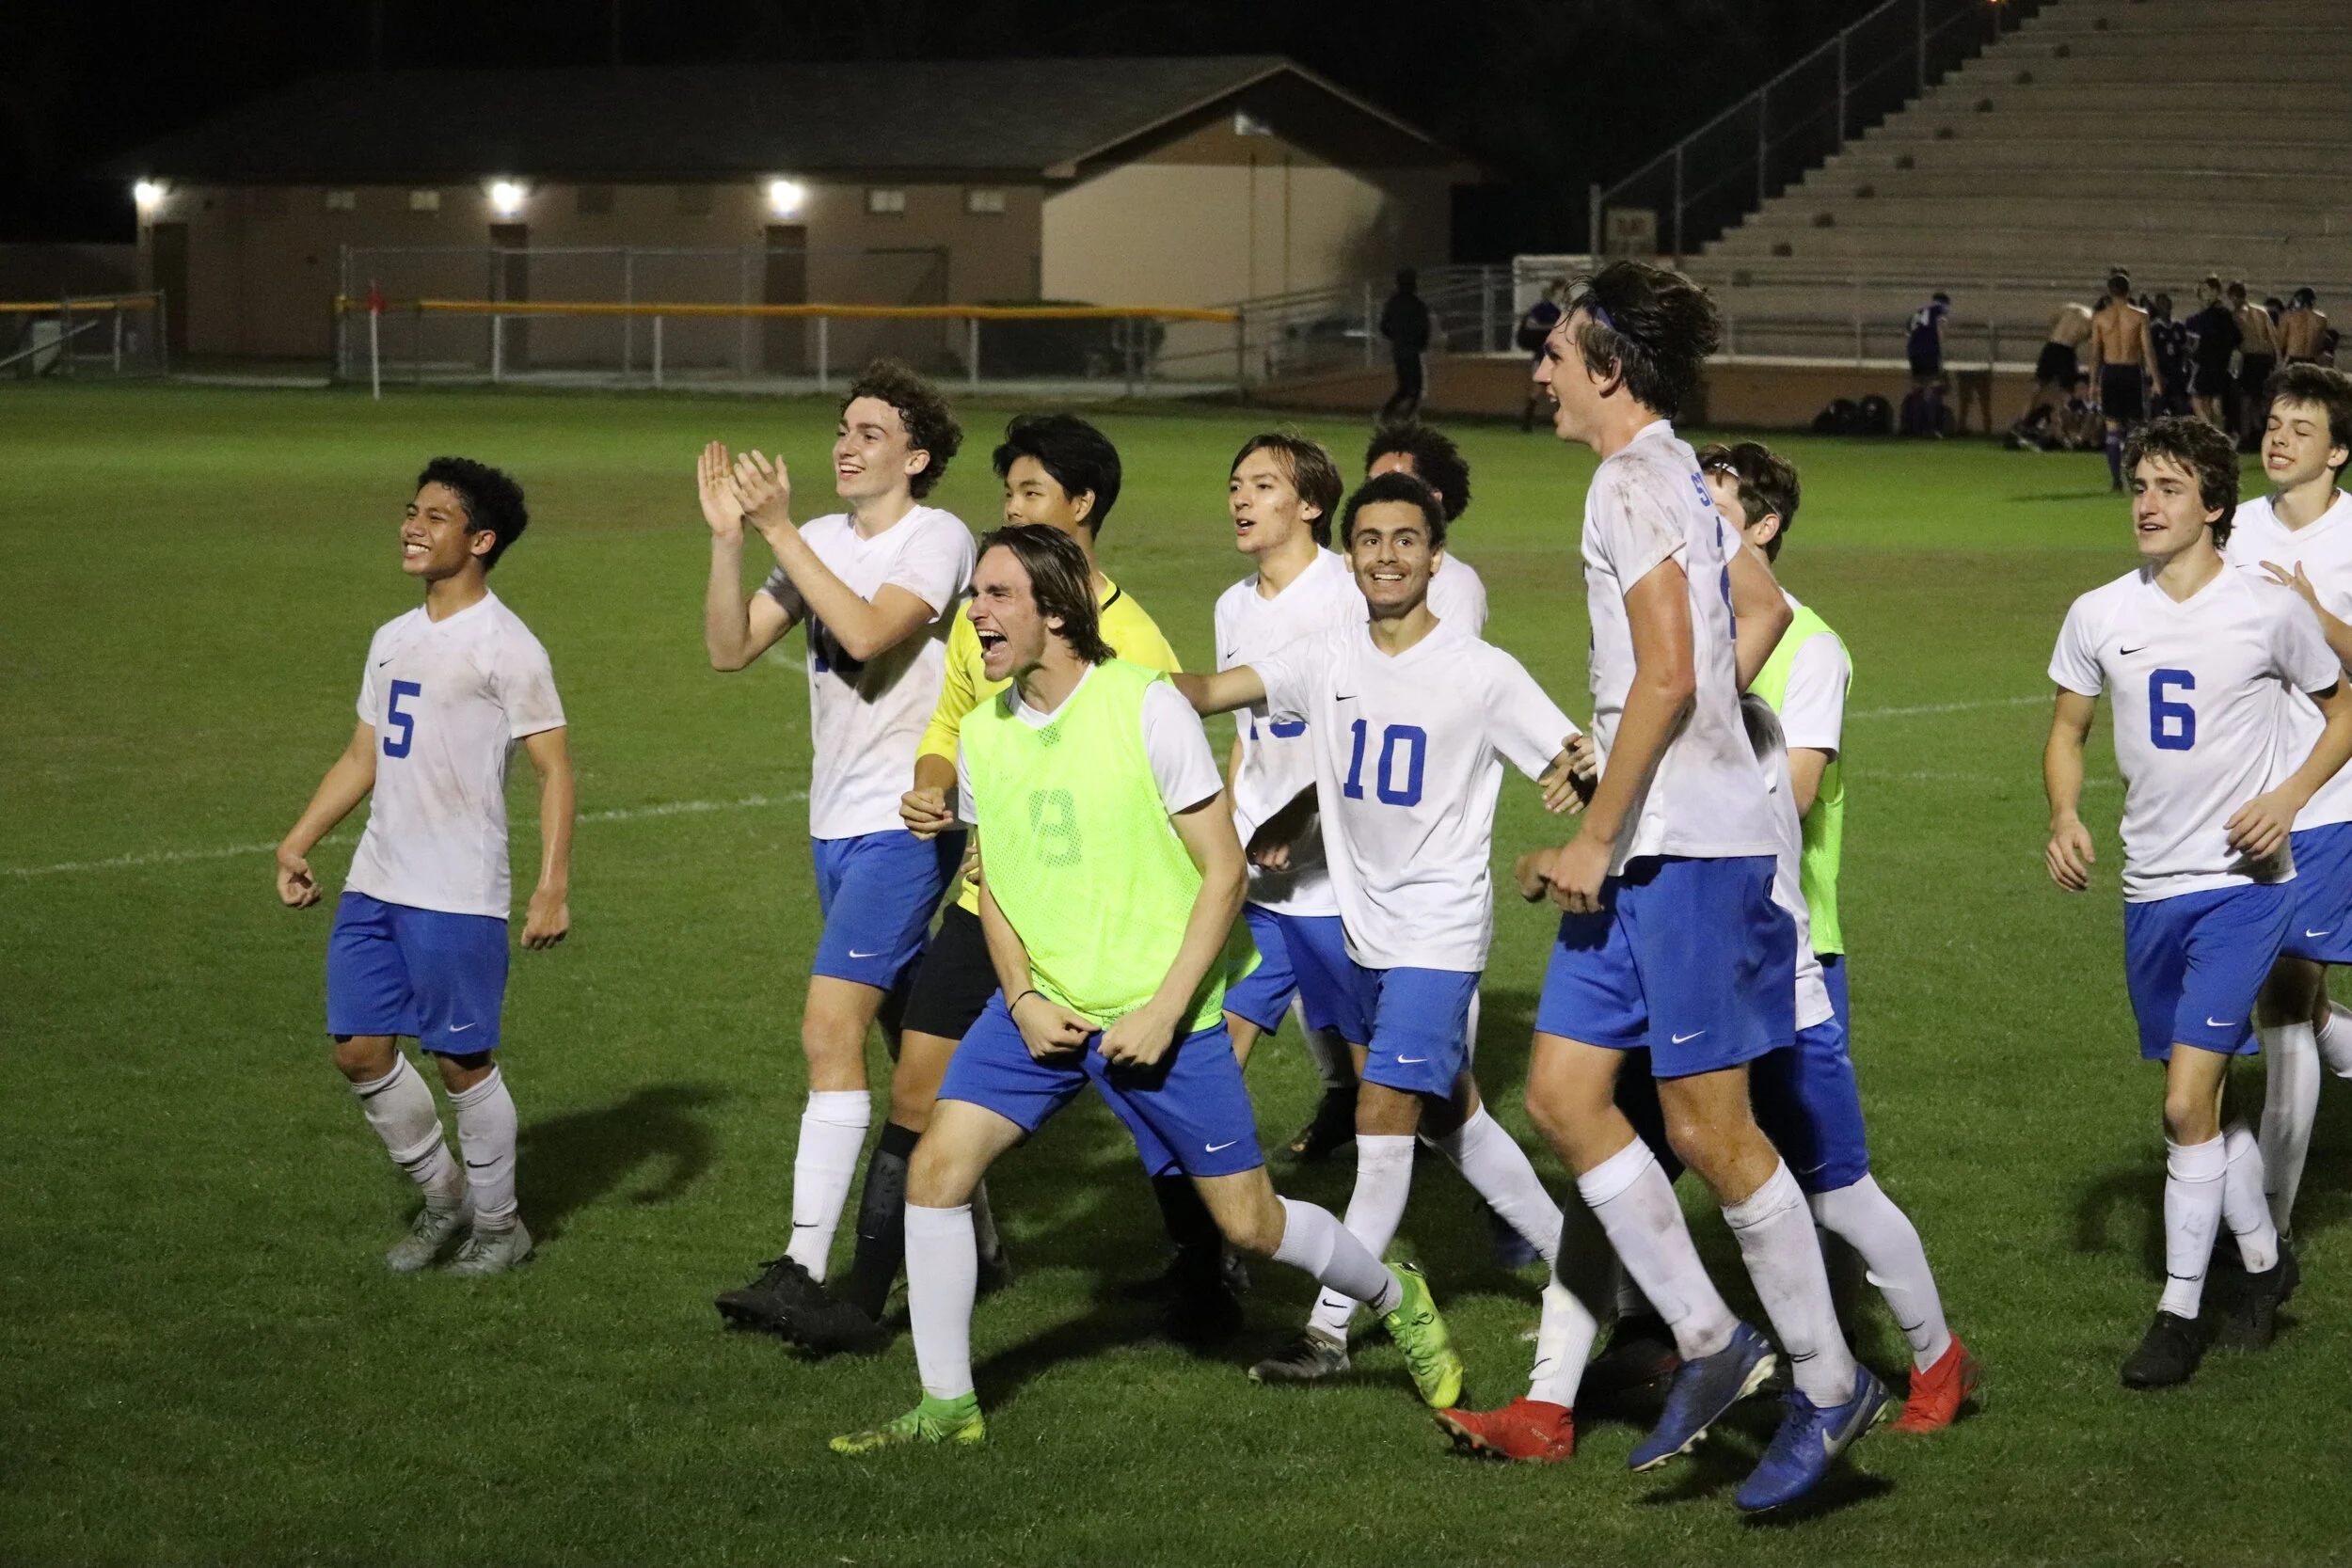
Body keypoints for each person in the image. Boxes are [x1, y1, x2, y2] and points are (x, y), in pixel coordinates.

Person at [828, 526, 1463, 1452]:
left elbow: (1224, 870)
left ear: (1053, 608)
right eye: (974, 595)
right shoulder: (983, 732)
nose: (977, 612)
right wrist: (1020, 998)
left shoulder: (1145, 708)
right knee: (936, 1170)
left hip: (1160, 1015)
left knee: (1249, 1222)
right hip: (1040, 1010)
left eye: (998, 595)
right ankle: (947, 1405)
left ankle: (1395, 1293)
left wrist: (1164, 1009)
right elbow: (993, 881)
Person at [1507, 261, 1883, 1513]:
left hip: (1687, 854)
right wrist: (1701, 740)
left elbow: (1667, 675)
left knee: (1710, 1130)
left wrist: (1599, 831)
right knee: (1563, 1091)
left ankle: (1831, 1379)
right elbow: (1756, 606)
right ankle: (1713, 1336)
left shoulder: (1630, 479)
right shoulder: (1672, 468)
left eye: (1557, 352)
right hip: (1661, 834)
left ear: (1608, 365)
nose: (1542, 372)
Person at [765, 412, 1225, 1353]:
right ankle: (858, 1301)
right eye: (1007, 491)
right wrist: (936, 788)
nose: (1008, 508)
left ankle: (1211, 1262)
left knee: (1153, 1105)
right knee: (916, 1090)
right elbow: (950, 725)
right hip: (994, 910)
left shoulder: (1132, 642)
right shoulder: (991, 615)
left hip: (1107, 925)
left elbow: (1166, 803)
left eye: (1028, 492)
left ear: (1082, 503)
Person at [1171, 470, 1582, 1388]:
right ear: (1349, 552)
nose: (1386, 555)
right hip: (1362, 928)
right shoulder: (1328, 657)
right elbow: (1208, 687)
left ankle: (1329, 1328)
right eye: (1370, 539)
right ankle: (1585, 1261)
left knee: (1381, 1121)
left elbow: (1571, 758)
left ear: (1436, 556)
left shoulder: (1482, 671)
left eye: (1406, 539)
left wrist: (1580, 787)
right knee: (1449, 1116)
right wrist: (1108, 683)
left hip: (1438, 933)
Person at [2046, 415, 2352, 1386]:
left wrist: (2287, 798)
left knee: (2183, 1103)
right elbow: (2066, 727)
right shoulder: (2098, 611)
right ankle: (2266, 1264)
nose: (2145, 502)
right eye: (2139, 483)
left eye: (2170, 487)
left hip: (2242, 889)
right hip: (2148, 889)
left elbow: (2344, 710)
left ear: (2214, 506)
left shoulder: (2266, 610)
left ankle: (2178, 1309)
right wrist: (2063, 812)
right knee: (2200, 1107)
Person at [701, 361, 978, 1332]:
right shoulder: (819, 537)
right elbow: (730, 648)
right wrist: (732, 541)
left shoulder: (936, 538)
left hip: (904, 827)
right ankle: (978, 1234)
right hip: (831, 823)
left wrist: (777, 527)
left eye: (869, 431)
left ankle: (802, 1264)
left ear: (916, 455)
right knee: (912, 1047)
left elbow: (864, 635)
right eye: (841, 428)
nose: (846, 444)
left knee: (827, 1029)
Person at [274, 458, 571, 1277]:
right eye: (412, 509)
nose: (412, 525)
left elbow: (556, 769)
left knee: (460, 1060)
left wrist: (552, 882)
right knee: (359, 1048)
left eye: (435, 516)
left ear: (479, 540)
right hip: (378, 878)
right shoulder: (392, 637)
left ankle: (501, 1224)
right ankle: (446, 1197)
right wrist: (298, 839)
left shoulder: (508, 647)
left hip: (458, 890)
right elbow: (363, 752)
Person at [2219, 365, 2352, 1275]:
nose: (2278, 438)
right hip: (2235, 796)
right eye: (2272, 422)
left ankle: (2267, 1228)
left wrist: (2313, 616)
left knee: (2279, 1000)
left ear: (2337, 450)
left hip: (2324, 797)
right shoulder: (2237, 528)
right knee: (2291, 994)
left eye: (2300, 427)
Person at [1210, 433, 1372, 1164]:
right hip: (1255, 876)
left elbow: (1364, 734)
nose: (1242, 497)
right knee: (1212, 1046)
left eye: (1264, 485)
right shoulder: (1231, 607)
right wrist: (1224, 822)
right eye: (1237, 483)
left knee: (1387, 1089)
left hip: (1336, 881)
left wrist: (1303, 817)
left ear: (1310, 505)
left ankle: (1499, 1210)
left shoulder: (1350, 596)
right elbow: (1247, 732)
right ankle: (1209, 1237)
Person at [2089, 272, 2162, 491]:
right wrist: (2156, 380)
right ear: (2128, 291)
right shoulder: (2140, 316)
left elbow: (2095, 353)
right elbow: (2148, 350)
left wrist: (2093, 382)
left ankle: (2116, 480)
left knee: (2112, 427)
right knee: (2136, 427)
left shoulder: (2100, 318)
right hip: (2131, 372)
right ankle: (2135, 478)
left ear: (2109, 293)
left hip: (2110, 373)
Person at [2016, 298, 2095, 436]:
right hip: (2067, 350)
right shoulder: (2093, 319)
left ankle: (2023, 421)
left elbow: (2053, 320)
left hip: (2051, 346)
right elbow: (2093, 345)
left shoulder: (2070, 306)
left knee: (2037, 387)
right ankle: (2069, 431)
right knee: (2067, 393)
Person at [2185, 277, 2242, 432]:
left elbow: (2196, 344)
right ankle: (2219, 437)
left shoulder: (2206, 317)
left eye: (2205, 290)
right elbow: (2237, 338)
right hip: (2221, 364)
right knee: (2215, 402)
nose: (2203, 294)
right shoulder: (2225, 314)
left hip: (2205, 363)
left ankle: (2211, 434)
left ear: (2215, 292)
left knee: (2197, 400)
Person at [1379, 268, 1433, 423]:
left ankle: (1386, 414)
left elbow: (1383, 326)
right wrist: (1420, 343)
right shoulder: (1417, 305)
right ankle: (1408, 418)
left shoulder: (1393, 303)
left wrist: (1396, 338)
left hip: (1398, 350)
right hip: (1412, 351)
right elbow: (1424, 328)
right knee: (1416, 389)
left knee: (1403, 387)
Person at [2233, 281, 2280, 451]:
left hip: (2251, 358)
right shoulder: (2261, 311)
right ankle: (2259, 432)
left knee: (2246, 398)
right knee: (2258, 399)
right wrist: (2278, 359)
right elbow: (2273, 336)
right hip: (2266, 358)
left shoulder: (2236, 315)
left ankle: (2247, 437)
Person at [1518, 280, 1566, 432]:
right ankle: (1526, 421)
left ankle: (1563, 423)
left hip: (1555, 354)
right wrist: (1550, 327)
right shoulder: (1544, 308)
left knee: (1559, 387)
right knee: (1538, 387)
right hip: (1543, 354)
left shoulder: (1558, 310)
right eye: (1562, 291)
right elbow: (1531, 324)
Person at [1903, 293, 1951, 436]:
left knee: (1917, 387)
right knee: (1933, 387)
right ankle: (1931, 427)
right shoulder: (1940, 309)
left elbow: (1908, 333)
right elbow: (1940, 328)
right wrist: (1941, 352)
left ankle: (1914, 426)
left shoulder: (1918, 311)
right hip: (1929, 350)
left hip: (1913, 351)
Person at [2150, 294, 2194, 419]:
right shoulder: (2154, 328)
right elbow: (2150, 352)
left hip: (2177, 374)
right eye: (2162, 303)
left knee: (2180, 407)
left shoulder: (2178, 326)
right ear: (2157, 307)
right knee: (2159, 408)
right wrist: (2155, 374)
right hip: (2161, 374)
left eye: (2168, 302)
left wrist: (2186, 366)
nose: (2166, 306)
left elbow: (2185, 349)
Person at [2282, 288, 2329, 366]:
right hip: (2312, 360)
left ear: (2297, 300)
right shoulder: (2322, 319)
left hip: (2293, 359)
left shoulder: (2289, 317)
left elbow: (2280, 341)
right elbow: (2321, 342)